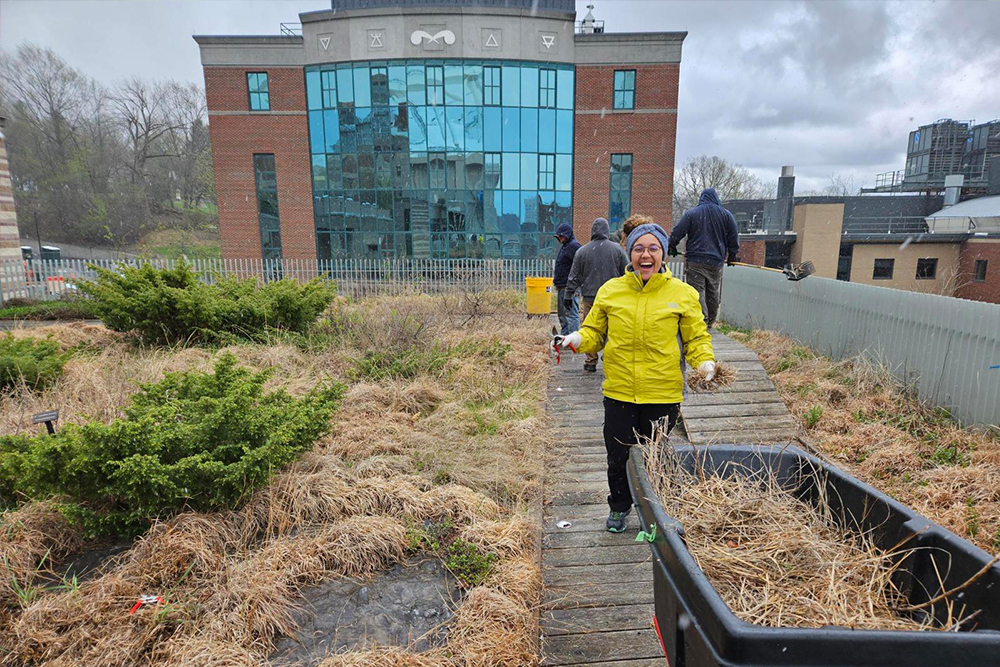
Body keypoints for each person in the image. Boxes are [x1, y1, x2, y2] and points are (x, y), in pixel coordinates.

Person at [553, 221, 716, 532]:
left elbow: (695, 338)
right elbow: (595, 333)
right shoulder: (611, 291)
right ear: (629, 253)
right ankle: (619, 507)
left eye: (653, 248)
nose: (646, 254)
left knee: (658, 458)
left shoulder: (682, 294)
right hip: (619, 392)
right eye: (639, 248)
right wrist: (577, 340)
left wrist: (704, 362)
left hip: (663, 393)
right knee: (618, 455)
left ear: (663, 255)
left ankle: (659, 512)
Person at [667, 188, 739, 329]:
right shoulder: (726, 215)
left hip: (696, 260)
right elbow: (733, 235)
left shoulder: (692, 214)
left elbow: (677, 232)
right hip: (716, 261)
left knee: (696, 290)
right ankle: (711, 320)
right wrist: (733, 255)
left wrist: (672, 246)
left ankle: (701, 319)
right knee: (713, 290)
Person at [563, 217, 628, 372]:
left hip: (590, 298)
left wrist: (568, 294)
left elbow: (574, 276)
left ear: (592, 231)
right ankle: (609, 356)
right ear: (607, 231)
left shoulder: (582, 251)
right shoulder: (617, 250)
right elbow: (627, 272)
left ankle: (590, 361)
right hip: (614, 298)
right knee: (613, 329)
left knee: (590, 328)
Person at [553, 222, 581, 335]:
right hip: (563, 286)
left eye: (561, 236)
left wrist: (574, 285)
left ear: (567, 234)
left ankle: (573, 340)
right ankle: (565, 337)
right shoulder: (566, 246)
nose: (560, 238)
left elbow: (580, 265)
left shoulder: (574, 246)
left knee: (571, 313)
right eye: (558, 236)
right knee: (562, 314)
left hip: (570, 287)